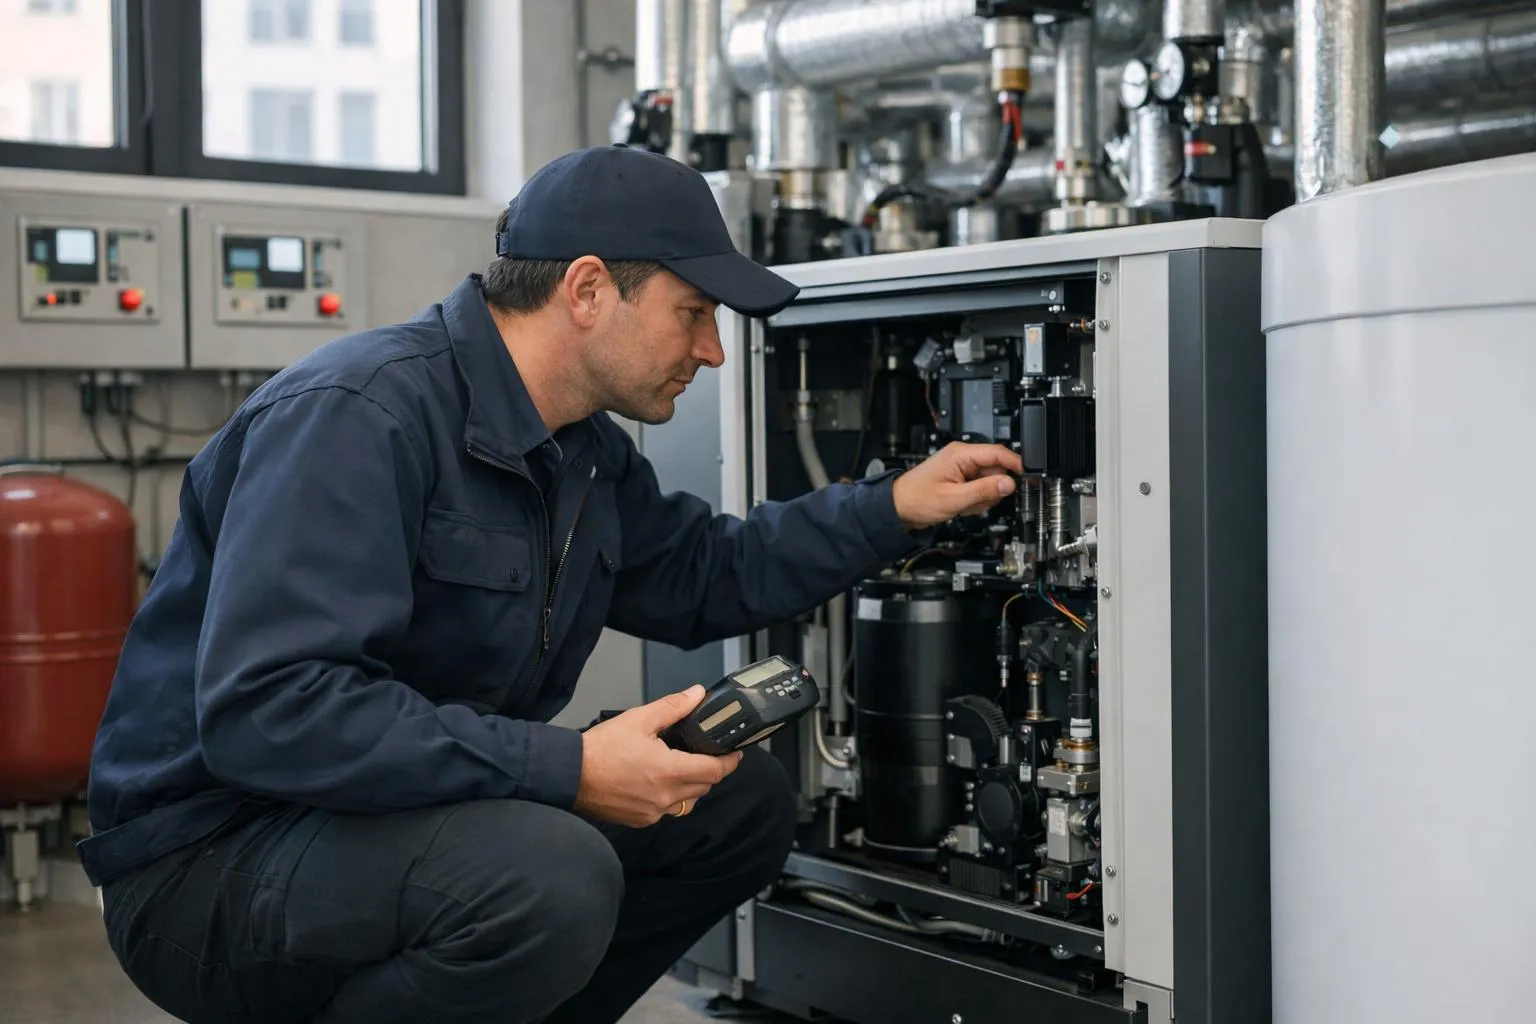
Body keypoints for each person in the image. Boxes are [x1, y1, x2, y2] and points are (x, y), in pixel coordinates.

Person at [82, 144, 1022, 1024]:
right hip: (213, 857)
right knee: (545, 875)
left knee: (738, 806)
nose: (713, 352)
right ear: (586, 290)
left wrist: (894, 503)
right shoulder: (358, 417)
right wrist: (570, 771)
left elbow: (710, 572)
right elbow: (273, 711)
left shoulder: (582, 455)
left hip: (397, 817)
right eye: (693, 313)